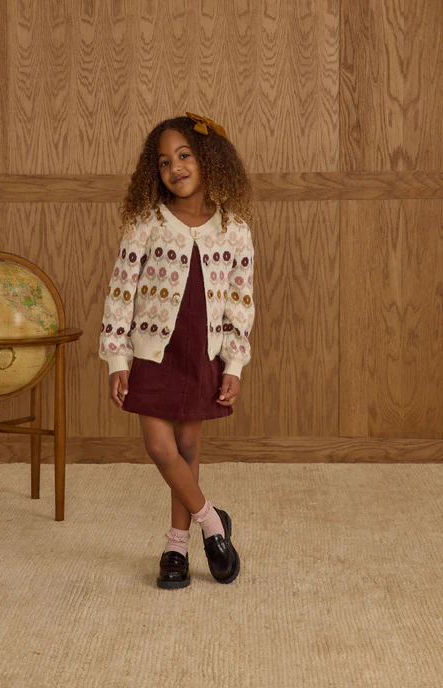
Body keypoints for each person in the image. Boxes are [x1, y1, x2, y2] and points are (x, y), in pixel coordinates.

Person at [98, 112, 255, 589]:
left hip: (201, 353)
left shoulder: (234, 229)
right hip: (152, 352)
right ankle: (212, 523)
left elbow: (240, 301)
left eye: (184, 156)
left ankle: (176, 546)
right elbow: (121, 291)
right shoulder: (146, 223)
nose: (175, 167)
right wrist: (117, 357)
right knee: (160, 448)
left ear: (208, 160)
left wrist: (234, 364)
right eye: (164, 162)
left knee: (187, 450)